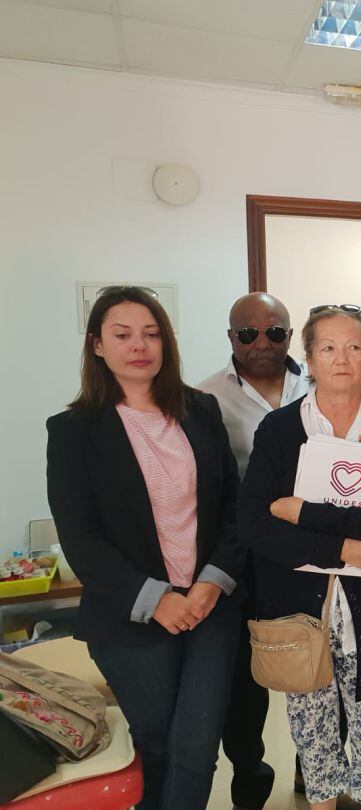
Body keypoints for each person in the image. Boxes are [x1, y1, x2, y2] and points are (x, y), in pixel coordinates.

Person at [46, 286, 244, 810]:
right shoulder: (73, 431)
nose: (140, 345)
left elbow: (233, 507)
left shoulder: (200, 410)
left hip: (210, 606)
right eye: (123, 334)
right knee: (157, 745)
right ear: (97, 346)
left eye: (152, 333)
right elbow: (80, 537)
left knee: (197, 746)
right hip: (129, 617)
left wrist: (209, 583)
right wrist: (157, 599)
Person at [238, 305, 361, 810]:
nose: (343, 358)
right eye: (328, 348)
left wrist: (302, 511)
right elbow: (253, 523)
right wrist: (342, 547)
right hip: (299, 614)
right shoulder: (279, 431)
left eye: (355, 347)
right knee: (314, 740)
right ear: (309, 360)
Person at [198, 292, 312, 809]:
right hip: (242, 556)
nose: (262, 342)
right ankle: (250, 767)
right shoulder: (204, 398)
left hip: (310, 553)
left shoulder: (316, 385)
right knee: (245, 677)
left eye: (275, 332)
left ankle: (316, 767)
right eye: (248, 333)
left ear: (290, 334)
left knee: (314, 665)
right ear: (231, 338)